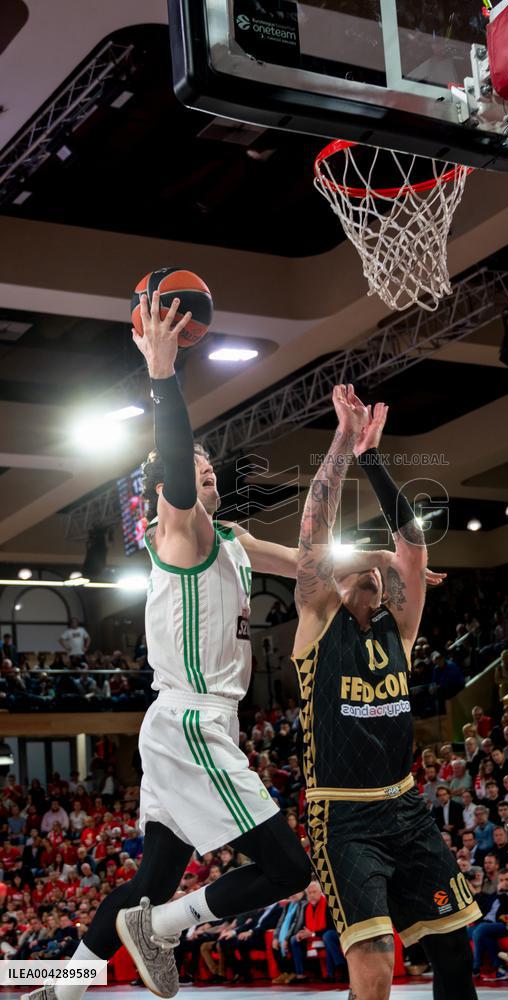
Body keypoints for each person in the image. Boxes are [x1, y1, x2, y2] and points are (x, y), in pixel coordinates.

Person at [23, 291, 312, 1000]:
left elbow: (307, 563)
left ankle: (56, 989)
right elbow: (177, 467)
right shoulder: (178, 533)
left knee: (148, 881)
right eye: (194, 469)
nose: (205, 471)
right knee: (288, 870)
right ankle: (164, 928)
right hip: (192, 720)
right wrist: (163, 373)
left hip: (187, 721)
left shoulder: (230, 538)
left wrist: (388, 564)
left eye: (211, 468)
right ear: (162, 496)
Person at [291, 387, 478, 1000]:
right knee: (374, 967)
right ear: (337, 578)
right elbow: (312, 534)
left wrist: (371, 456)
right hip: (343, 814)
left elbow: (414, 546)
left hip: (404, 804)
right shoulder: (318, 623)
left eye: (380, 568)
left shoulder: (399, 627)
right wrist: (341, 441)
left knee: (454, 948)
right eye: (362, 565)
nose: (376, 569)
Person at [470, 868, 508, 980]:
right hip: (487, 924)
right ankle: (502, 968)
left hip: (505, 924)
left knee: (481, 929)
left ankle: (475, 968)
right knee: (465, 932)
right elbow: (484, 907)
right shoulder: (496, 894)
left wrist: (500, 894)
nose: (504, 883)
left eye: (507, 879)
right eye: (501, 880)